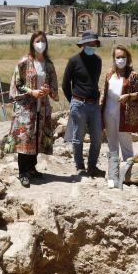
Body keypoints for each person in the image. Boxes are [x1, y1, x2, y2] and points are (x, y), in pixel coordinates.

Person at [9, 30, 59, 188]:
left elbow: (53, 85)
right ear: (32, 43)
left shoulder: (49, 64)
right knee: (25, 138)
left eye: (43, 41)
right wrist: (32, 91)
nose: (40, 44)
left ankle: (32, 168)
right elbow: (18, 83)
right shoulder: (24, 62)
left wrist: (47, 90)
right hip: (25, 108)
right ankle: (22, 172)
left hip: (42, 107)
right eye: (37, 41)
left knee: (37, 138)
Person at [100, 45, 138, 189]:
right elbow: (104, 93)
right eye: (118, 57)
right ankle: (113, 177)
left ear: (128, 58)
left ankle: (127, 178)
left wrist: (129, 96)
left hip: (124, 115)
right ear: (114, 58)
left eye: (123, 57)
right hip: (108, 113)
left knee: (126, 144)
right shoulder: (109, 74)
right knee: (112, 145)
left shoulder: (133, 75)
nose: (120, 60)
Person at [62, 31, 104, 178]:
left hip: (94, 105)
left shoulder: (98, 61)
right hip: (79, 104)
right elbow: (65, 84)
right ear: (83, 44)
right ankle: (80, 167)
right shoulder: (74, 60)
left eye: (94, 43)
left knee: (97, 138)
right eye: (89, 43)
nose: (91, 46)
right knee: (77, 137)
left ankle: (92, 166)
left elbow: (94, 82)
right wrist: (73, 101)